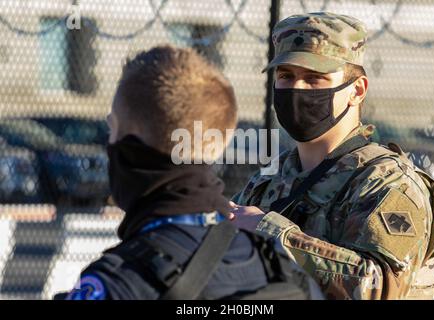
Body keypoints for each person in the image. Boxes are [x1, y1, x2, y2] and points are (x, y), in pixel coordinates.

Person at [56, 45, 323, 300]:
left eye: (113, 129)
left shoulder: (119, 281)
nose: (110, 143)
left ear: (131, 146)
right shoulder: (279, 266)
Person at [231, 12, 434, 300]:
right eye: (286, 76)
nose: (297, 88)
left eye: (314, 78)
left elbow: (381, 288)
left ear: (357, 90)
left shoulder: (388, 184)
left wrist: (275, 234)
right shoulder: (269, 179)